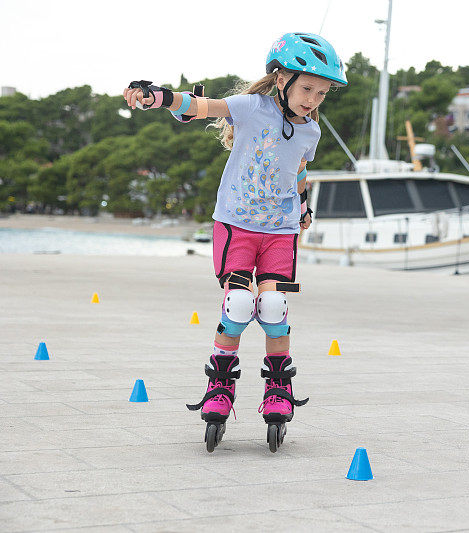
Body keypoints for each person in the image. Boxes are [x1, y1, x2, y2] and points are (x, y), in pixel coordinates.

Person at [122, 32, 347, 452]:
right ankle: (220, 386)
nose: (314, 99)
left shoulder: (310, 130)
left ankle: (277, 388)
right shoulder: (252, 107)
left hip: (280, 230)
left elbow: (297, 169)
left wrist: (303, 204)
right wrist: (159, 97)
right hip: (236, 225)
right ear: (282, 80)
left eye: (322, 92)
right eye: (307, 88)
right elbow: (202, 106)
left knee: (275, 305)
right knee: (240, 304)